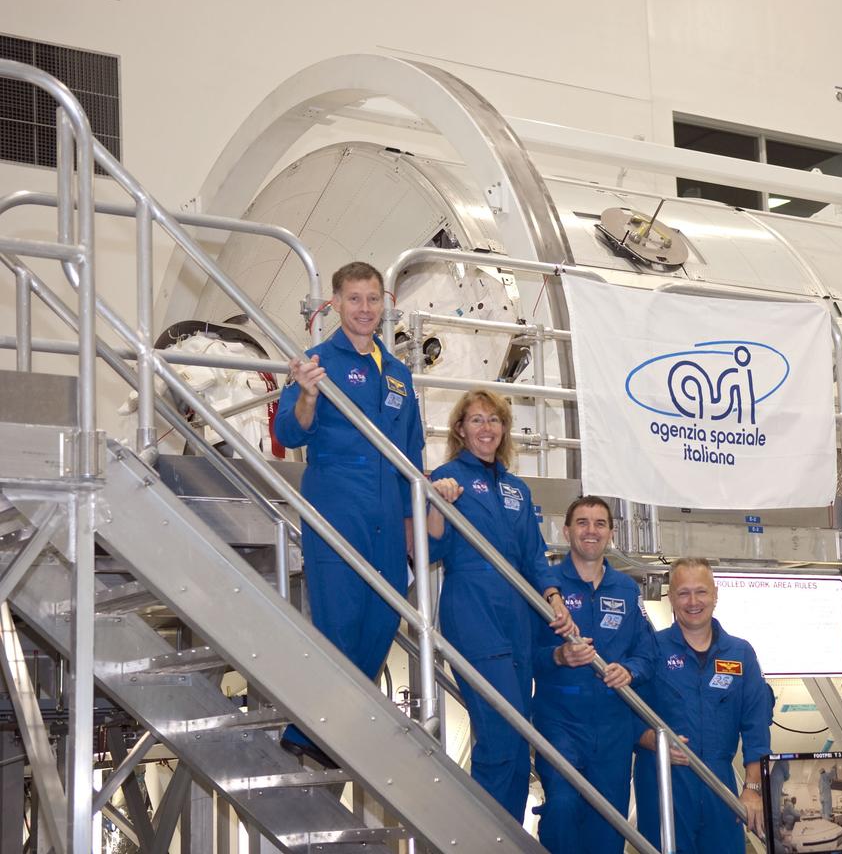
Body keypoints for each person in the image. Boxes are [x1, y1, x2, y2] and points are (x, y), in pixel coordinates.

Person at [273, 261, 424, 767]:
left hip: (387, 508)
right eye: (355, 299)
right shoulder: (317, 362)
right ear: (334, 303)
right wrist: (309, 396)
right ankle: (315, 728)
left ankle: (331, 726)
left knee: (383, 618)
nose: (365, 310)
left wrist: (410, 522)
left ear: (385, 304)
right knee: (339, 620)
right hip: (338, 501)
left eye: (373, 299)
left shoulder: (398, 372)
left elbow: (412, 451)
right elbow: (291, 433)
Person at [427, 389, 576, 820]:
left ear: (505, 429)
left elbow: (533, 554)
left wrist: (552, 596)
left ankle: (506, 834)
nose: (486, 428)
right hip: (473, 610)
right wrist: (437, 501)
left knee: (518, 734)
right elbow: (430, 549)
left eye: (494, 420)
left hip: (519, 618)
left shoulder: (516, 489)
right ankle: (484, 836)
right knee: (499, 736)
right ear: (460, 429)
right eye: (476, 420)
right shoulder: (447, 476)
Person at [531, 496, 657, 853]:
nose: (591, 530)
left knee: (608, 822)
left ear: (611, 534)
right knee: (564, 806)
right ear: (567, 531)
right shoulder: (546, 587)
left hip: (613, 727)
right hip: (560, 722)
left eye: (600, 523)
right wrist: (558, 655)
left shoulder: (627, 590)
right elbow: (524, 656)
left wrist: (629, 671)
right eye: (583, 522)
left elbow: (648, 654)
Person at [634, 557, 773, 853]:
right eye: (683, 593)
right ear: (670, 597)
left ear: (715, 594)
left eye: (701, 591)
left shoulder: (740, 654)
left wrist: (753, 789)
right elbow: (623, 714)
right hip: (662, 782)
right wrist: (650, 741)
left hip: (719, 782)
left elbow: (756, 727)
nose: (693, 601)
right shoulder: (650, 650)